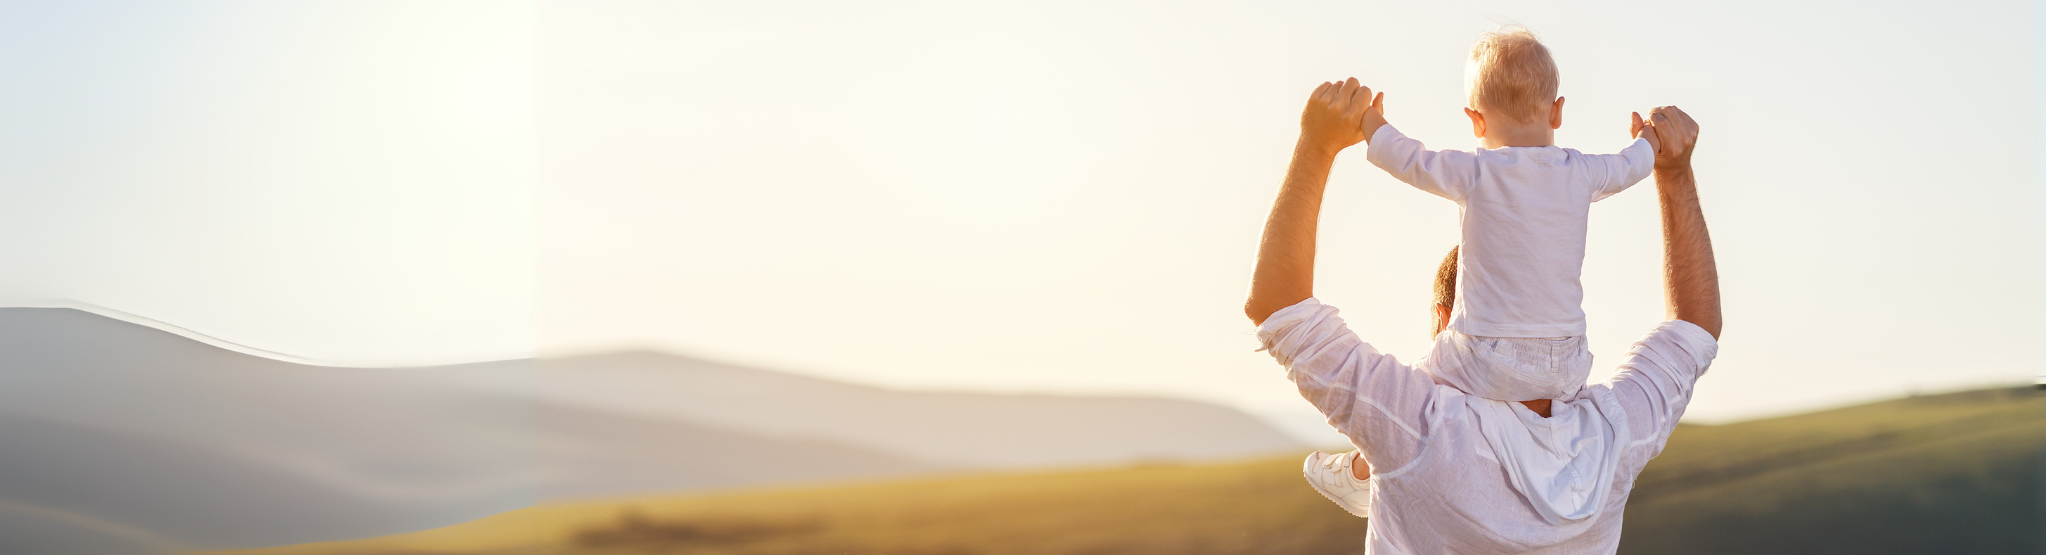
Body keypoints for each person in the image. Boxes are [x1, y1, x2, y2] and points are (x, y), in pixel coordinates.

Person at [1243, 72, 1720, 553]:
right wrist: (1674, 173)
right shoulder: (1614, 437)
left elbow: (1277, 306)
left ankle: (1360, 468)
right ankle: (1359, 469)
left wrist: (1317, 145)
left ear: (1444, 316)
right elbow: (1695, 326)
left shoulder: (1418, 429)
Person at [1299, 25, 1666, 521]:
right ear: (1557, 110)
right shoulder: (1584, 171)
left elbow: (1409, 159)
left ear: (1475, 120)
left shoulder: (1475, 172)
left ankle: (1361, 473)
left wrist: (1371, 124)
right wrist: (1649, 138)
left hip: (1485, 353)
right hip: (1568, 362)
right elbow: (1633, 165)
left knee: (1412, 392)